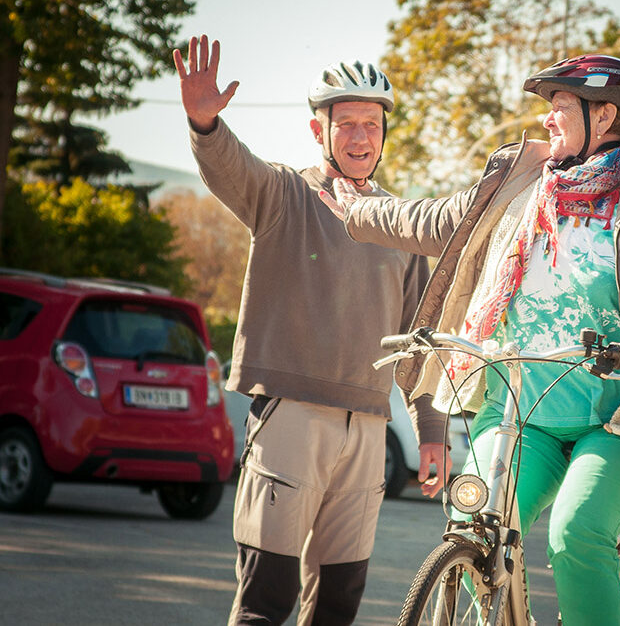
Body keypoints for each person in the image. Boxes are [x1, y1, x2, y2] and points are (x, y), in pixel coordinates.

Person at [320, 54, 620, 625]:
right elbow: (435, 221)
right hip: (521, 411)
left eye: (561, 107)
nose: (549, 119)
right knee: (476, 523)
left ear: (605, 114)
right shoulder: (520, 184)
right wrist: (358, 209)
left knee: (576, 530)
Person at [172, 34, 446, 626]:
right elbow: (230, 168)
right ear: (318, 130)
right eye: (344, 123)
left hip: (369, 432)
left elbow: (416, 340)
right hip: (291, 420)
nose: (359, 136)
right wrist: (204, 124)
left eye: (370, 124)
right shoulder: (283, 194)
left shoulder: (402, 224)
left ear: (383, 132)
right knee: (265, 603)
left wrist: (430, 429)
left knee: (338, 605)